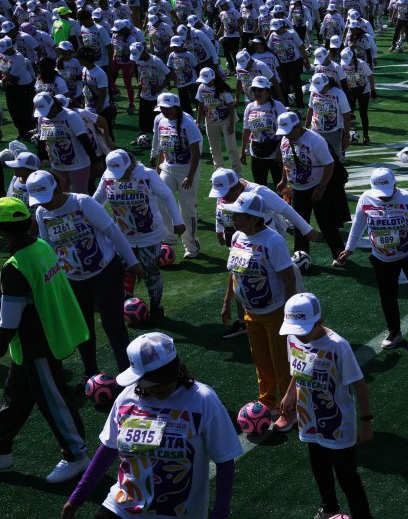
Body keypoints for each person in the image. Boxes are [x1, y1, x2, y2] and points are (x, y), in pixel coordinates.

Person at [61, 332, 242, 518]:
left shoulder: (203, 400)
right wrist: (77, 497)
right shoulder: (126, 398)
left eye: (165, 378)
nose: (161, 386)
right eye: (153, 382)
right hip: (121, 507)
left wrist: (220, 513)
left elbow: (225, 461)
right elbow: (108, 450)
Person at [0, 196, 91, 484]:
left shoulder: (14, 267)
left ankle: (77, 454)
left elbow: (8, 322)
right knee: (16, 398)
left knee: (54, 400)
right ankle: (1, 448)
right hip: (46, 337)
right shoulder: (40, 247)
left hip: (36, 344)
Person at [26, 169, 141, 377]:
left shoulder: (82, 202)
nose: (44, 203)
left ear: (58, 187)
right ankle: (91, 375)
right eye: (39, 200)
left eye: (47, 197)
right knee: (83, 328)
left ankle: (129, 373)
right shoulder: (42, 213)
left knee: (113, 324)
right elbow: (50, 248)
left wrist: (132, 262)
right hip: (73, 279)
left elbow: (112, 230)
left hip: (105, 271)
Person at [277, 294, 375, 519]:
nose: (299, 336)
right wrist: (290, 393)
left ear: (319, 322)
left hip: (338, 424)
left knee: (347, 476)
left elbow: (360, 384)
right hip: (308, 419)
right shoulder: (293, 336)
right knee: (319, 468)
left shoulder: (338, 346)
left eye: (304, 330)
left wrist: (366, 422)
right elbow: (298, 365)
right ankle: (329, 507)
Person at [342, 168, 408, 349]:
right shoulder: (365, 199)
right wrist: (349, 248)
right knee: (387, 296)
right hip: (382, 258)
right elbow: (358, 225)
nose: (384, 197)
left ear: (395, 185)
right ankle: (394, 332)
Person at [220, 191, 299, 428]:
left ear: (255, 218)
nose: (234, 219)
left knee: (281, 363)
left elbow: (288, 280)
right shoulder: (237, 238)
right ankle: (268, 401)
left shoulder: (273, 241)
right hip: (250, 313)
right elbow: (234, 273)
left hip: (275, 312)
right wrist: (227, 302)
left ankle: (289, 409)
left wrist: (290, 317)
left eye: (239, 215)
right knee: (262, 361)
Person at [92, 149, 183, 322]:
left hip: (150, 236)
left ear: (130, 165)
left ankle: (156, 308)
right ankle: (126, 304)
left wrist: (177, 221)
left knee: (150, 272)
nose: (119, 176)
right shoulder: (108, 176)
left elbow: (167, 196)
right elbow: (97, 201)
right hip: (123, 236)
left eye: (123, 171)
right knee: (123, 270)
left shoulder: (147, 175)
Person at [276, 111, 349, 267]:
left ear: (297, 127)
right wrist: (284, 180)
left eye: (288, 132)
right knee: (299, 223)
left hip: (317, 187)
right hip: (298, 189)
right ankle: (301, 256)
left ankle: (339, 254)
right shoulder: (285, 139)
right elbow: (286, 160)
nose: (286, 135)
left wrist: (321, 187)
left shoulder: (315, 140)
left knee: (326, 223)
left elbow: (329, 164)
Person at [150, 92, 203, 258]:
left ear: (176, 107)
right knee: (159, 199)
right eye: (162, 108)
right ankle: (169, 236)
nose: (164, 111)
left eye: (167, 108)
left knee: (186, 209)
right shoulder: (159, 120)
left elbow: (195, 152)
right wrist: (158, 169)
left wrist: (190, 175)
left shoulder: (188, 124)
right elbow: (161, 146)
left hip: (187, 170)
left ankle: (191, 246)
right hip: (167, 167)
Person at [240, 76, 288, 186]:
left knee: (280, 185)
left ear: (267, 91)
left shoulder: (278, 106)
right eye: (254, 90)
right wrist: (243, 150)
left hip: (275, 151)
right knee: (259, 186)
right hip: (256, 152)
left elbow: (286, 131)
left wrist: (280, 151)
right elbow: (246, 129)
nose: (256, 93)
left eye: (260, 90)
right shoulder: (250, 107)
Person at [195, 67, 240, 173]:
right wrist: (199, 122)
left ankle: (237, 171)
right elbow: (201, 104)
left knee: (231, 147)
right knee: (214, 148)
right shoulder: (201, 87)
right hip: (210, 120)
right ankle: (219, 171)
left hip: (226, 119)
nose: (204, 83)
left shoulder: (222, 90)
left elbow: (230, 106)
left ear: (213, 79)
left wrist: (231, 125)